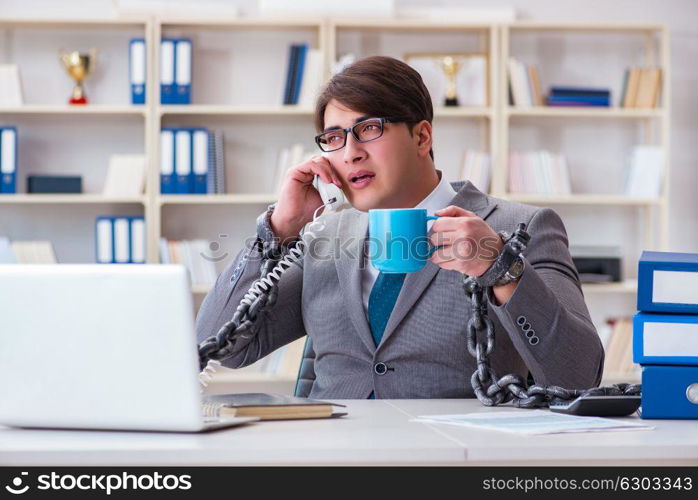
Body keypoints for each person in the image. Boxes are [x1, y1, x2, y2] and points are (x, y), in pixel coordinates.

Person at [195, 56, 604, 399]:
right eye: (334, 138)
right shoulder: (322, 237)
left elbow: (579, 375)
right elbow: (221, 348)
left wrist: (500, 267)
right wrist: (278, 229)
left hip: (455, 460)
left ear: (422, 136)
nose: (351, 153)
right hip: (335, 459)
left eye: (369, 129)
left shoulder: (519, 227)